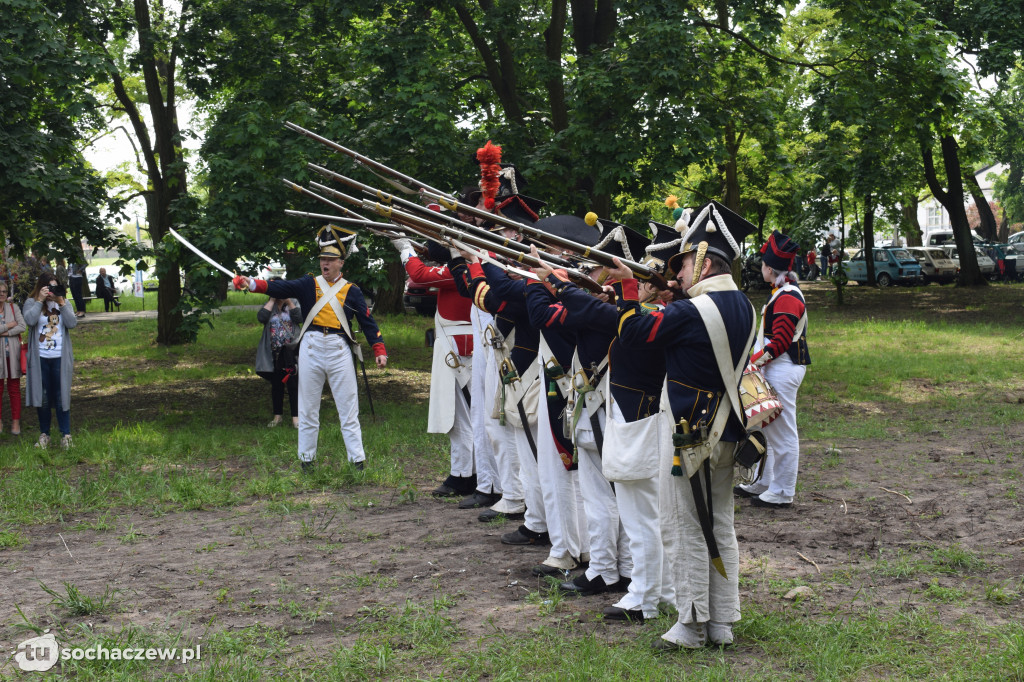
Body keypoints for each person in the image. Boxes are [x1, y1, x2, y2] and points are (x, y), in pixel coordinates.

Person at [609, 200, 757, 650]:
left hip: (691, 434)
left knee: (685, 525)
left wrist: (631, 289)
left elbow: (633, 335)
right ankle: (722, 622)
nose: (677, 276)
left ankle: (691, 624)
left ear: (705, 259)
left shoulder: (693, 311)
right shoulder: (744, 306)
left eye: (685, 264)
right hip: (728, 430)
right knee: (720, 524)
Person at [233, 226, 387, 471]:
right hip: (311, 348)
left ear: (340, 262)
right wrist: (250, 283)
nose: (325, 264)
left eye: (330, 260)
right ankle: (306, 460)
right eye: (322, 259)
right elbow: (279, 288)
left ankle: (357, 461)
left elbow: (368, 322)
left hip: (339, 349)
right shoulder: (308, 284)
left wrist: (379, 349)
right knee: (307, 408)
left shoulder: (352, 290)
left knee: (348, 409)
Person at [736, 231, 810, 508]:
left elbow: (778, 342)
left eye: (763, 266)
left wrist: (751, 362)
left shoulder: (788, 296)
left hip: (782, 368)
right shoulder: (782, 293)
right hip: (777, 368)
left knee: (782, 433)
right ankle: (765, 482)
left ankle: (782, 492)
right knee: (768, 430)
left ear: (769, 269)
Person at [24, 273, 78, 449]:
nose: (51, 292)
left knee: (62, 396)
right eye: (48, 287)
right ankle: (45, 434)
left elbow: (72, 323)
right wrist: (40, 300)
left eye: (55, 287)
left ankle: (66, 435)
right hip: (40, 358)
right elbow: (29, 320)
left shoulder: (63, 303)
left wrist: (61, 302)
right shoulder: (32, 303)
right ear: (41, 288)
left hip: (60, 359)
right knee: (44, 398)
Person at [255, 286, 301, 429]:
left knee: (293, 384)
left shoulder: (294, 302)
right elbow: (261, 318)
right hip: (274, 352)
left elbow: (300, 318)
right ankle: (277, 416)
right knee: (277, 385)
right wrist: (272, 300)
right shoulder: (269, 306)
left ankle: (296, 418)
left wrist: (288, 301)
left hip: (291, 350)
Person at [0, 282, 26, 435]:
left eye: (4, 291)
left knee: (14, 389)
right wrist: (9, 325)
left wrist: (5, 333)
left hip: (13, 354)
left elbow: (22, 326)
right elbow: (15, 325)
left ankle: (16, 422)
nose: (1, 294)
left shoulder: (13, 307)